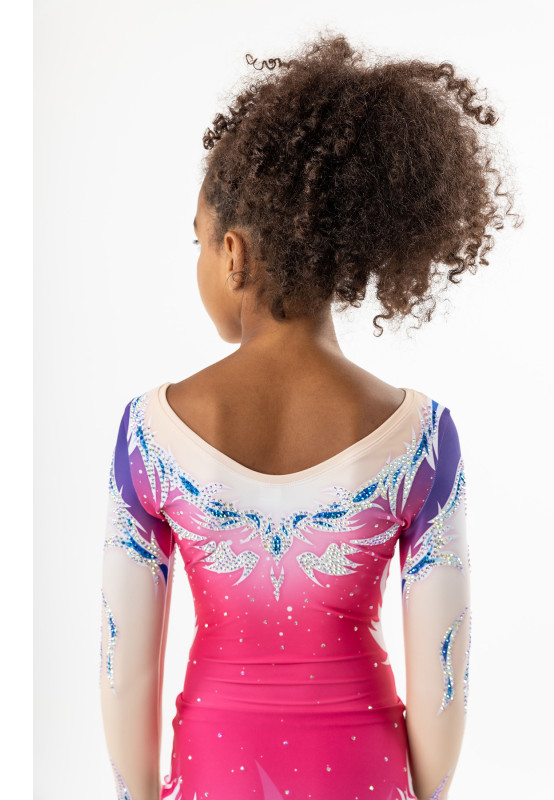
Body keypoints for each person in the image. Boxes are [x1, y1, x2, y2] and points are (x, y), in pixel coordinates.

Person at [99, 31, 521, 800]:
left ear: (233, 254)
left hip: (213, 772)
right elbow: (444, 678)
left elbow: (125, 670)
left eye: (197, 242)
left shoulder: (151, 434)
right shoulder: (422, 439)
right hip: (365, 774)